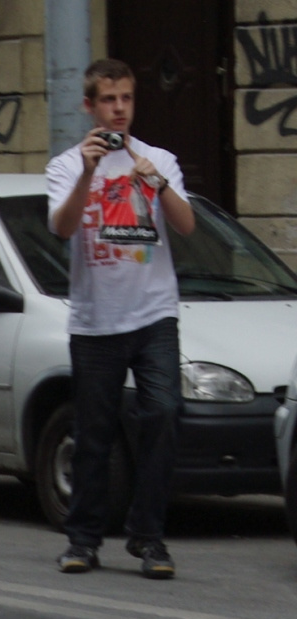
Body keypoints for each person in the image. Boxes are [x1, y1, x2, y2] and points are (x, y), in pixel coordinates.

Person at [47, 58, 194, 579]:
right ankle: (83, 540)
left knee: (162, 414)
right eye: (108, 100)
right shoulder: (67, 166)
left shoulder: (158, 159)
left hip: (154, 314)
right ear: (89, 105)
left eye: (126, 99)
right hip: (95, 321)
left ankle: (149, 538)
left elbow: (188, 225)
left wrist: (160, 186)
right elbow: (63, 228)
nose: (118, 110)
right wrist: (89, 172)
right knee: (94, 433)